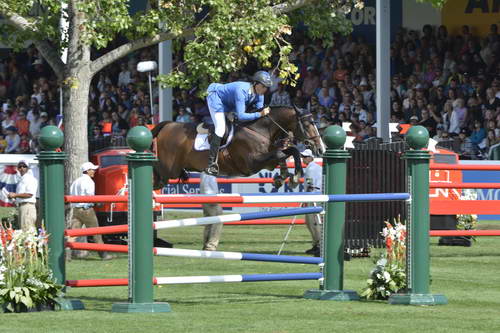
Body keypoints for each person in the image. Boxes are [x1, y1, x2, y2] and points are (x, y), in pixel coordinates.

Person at [204, 70, 272, 176]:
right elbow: (242, 116)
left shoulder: (260, 94)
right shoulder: (241, 90)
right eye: (263, 86)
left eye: (266, 87)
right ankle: (211, 164)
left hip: (229, 104)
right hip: (216, 98)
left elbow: (259, 112)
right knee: (221, 128)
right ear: (256, 84)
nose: (265, 90)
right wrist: (260, 114)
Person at [68, 162, 113, 260]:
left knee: (72, 233)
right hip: (87, 210)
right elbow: (90, 196)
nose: (94, 171)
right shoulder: (89, 182)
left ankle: (66, 255)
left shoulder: (76, 181)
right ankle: (103, 254)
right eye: (92, 169)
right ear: (87, 171)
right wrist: (98, 202)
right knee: (96, 232)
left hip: (76, 210)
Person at [301, 149, 322, 257]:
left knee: (313, 222)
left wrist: (306, 195)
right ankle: (316, 244)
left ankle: (318, 245)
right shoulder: (314, 167)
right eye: (303, 157)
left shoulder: (311, 168)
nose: (303, 159)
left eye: (305, 157)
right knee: (311, 222)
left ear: (310, 157)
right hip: (314, 194)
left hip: (313, 195)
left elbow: (310, 182)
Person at [7, 160, 38, 231]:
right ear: (18, 169)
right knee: (24, 230)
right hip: (22, 206)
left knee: (27, 231)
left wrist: (15, 195)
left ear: (28, 168)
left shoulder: (30, 179)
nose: (22, 168)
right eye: (20, 166)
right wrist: (14, 198)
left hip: (27, 207)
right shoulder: (21, 179)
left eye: (24, 166)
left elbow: (29, 194)